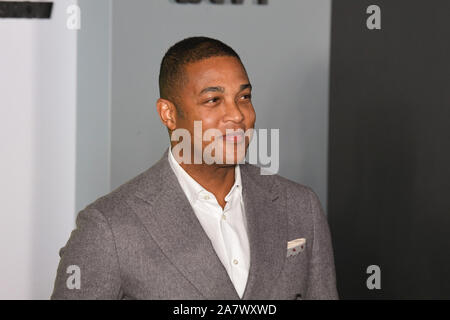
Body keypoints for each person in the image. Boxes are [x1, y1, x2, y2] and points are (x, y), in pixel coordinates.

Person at [51, 36, 338, 300]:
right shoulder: (108, 228)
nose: (237, 115)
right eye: (213, 100)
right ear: (169, 113)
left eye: (244, 97)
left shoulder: (300, 206)